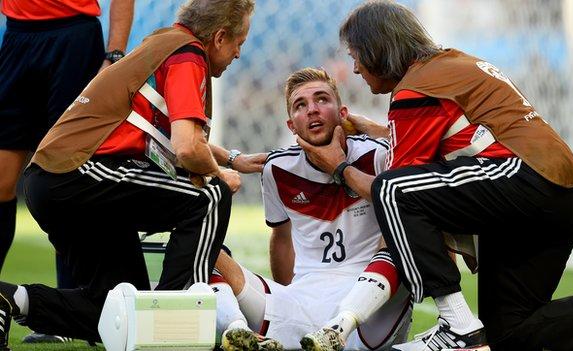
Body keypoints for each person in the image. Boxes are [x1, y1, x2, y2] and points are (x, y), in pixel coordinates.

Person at [298, 1, 573, 351]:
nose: (356, 68)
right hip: (562, 191)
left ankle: (456, 324)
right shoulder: (452, 63)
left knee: (393, 192)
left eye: (356, 54)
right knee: (508, 333)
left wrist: (339, 167)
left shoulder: (415, 88)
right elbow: (457, 133)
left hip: (528, 179)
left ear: (376, 48)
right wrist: (382, 130)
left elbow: (390, 190)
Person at [0, 0, 265, 348]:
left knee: (120, 311)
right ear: (218, 37)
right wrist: (221, 174)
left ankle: (10, 299)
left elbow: (170, 136)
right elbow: (187, 147)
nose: (237, 55)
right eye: (238, 44)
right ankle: (174, 327)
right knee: (210, 196)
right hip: (81, 173)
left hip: (54, 180)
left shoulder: (161, 43)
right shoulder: (188, 55)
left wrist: (232, 159)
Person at [209, 67, 412, 351]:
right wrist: (286, 299)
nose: (312, 110)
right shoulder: (278, 170)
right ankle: (238, 329)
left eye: (322, 100)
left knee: (405, 221)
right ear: (292, 126)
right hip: (305, 301)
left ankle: (344, 324)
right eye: (300, 106)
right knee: (204, 251)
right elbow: (281, 239)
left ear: (343, 113)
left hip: (371, 305)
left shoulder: (377, 155)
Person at [0, 0, 135, 343]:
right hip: (17, 37)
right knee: (1, 181)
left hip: (74, 38)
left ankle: (67, 316)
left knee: (67, 173)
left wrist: (115, 54)